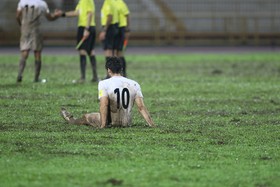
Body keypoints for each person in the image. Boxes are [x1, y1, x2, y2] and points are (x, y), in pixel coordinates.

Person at [61, 57, 156, 128]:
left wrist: (103, 125)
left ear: (108, 70)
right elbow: (141, 107)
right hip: (126, 123)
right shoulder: (134, 84)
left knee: (86, 117)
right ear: (121, 70)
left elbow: (104, 104)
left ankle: (71, 120)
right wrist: (152, 125)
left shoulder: (104, 83)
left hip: (110, 122)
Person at [16, 0, 61, 83]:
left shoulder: (22, 1)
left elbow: (17, 16)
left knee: (24, 51)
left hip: (25, 29)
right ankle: (36, 78)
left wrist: (21, 26)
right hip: (36, 29)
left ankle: (20, 74)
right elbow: (49, 17)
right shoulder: (42, 3)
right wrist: (56, 15)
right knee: (37, 52)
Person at [58, 0, 99, 83]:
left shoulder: (88, 1)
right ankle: (95, 76)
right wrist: (63, 14)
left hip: (86, 27)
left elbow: (90, 13)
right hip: (86, 27)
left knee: (83, 51)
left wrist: (86, 29)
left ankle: (83, 78)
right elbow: (77, 12)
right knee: (90, 51)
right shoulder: (81, 1)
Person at [115, 0, 130, 77]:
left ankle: (123, 73)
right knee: (117, 53)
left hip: (121, 28)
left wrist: (127, 29)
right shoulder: (113, 3)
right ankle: (120, 73)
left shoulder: (121, 3)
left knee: (119, 52)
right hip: (116, 28)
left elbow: (127, 15)